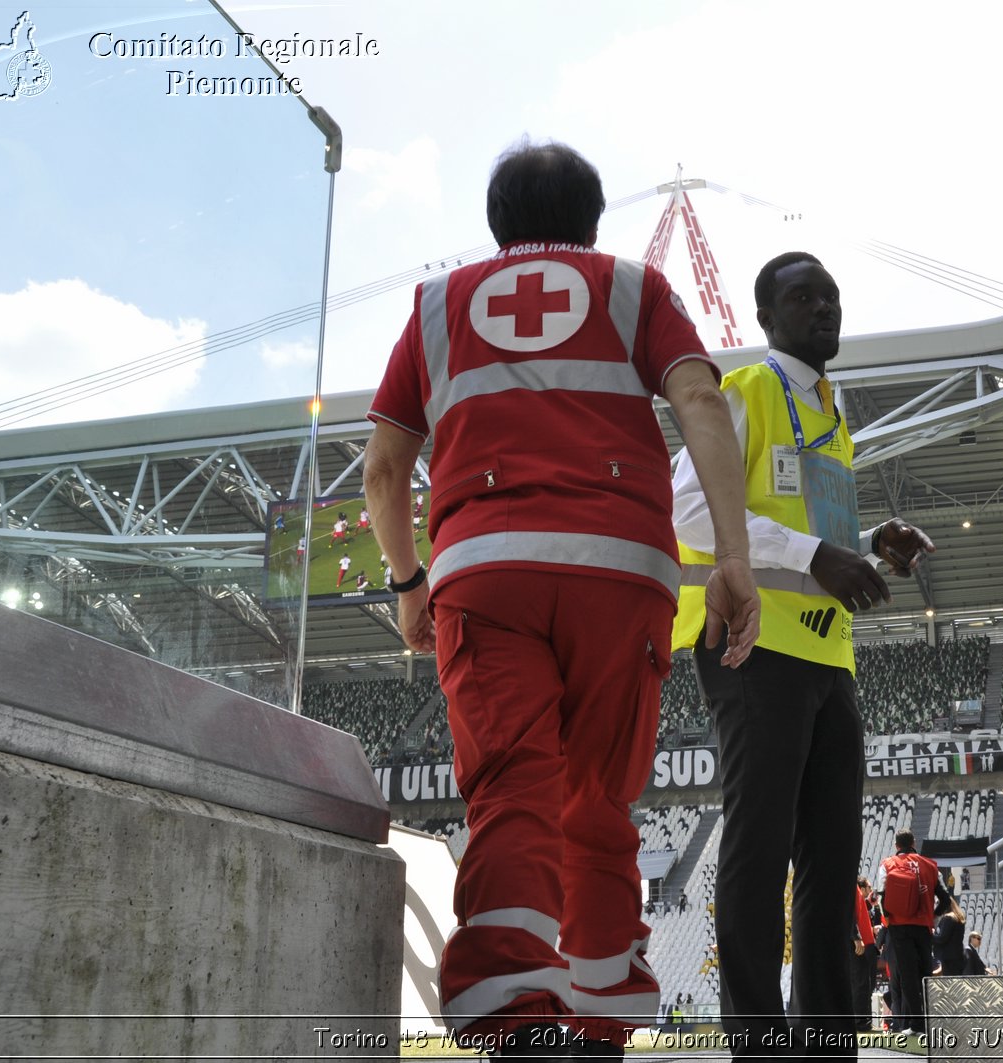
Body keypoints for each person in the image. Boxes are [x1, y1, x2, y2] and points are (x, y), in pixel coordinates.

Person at [363, 138, 760, 1060]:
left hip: (485, 566)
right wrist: (730, 559)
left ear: (496, 221)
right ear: (591, 220)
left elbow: (384, 471)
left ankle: (515, 1019)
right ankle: (597, 1018)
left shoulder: (434, 305)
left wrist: (409, 581)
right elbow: (701, 402)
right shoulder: (635, 287)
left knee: (512, 789)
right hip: (621, 569)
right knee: (599, 802)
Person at [668, 252, 935, 1057]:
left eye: (832, 296)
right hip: (752, 644)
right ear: (765, 317)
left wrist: (863, 543)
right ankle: (756, 1038)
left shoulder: (832, 415)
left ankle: (828, 1039)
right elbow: (682, 509)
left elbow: (802, 530)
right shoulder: (745, 391)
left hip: (828, 657)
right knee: (759, 845)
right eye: (802, 297)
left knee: (832, 856)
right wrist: (818, 553)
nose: (825, 308)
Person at [876, 828, 952, 1036]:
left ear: (896, 846)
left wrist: (890, 921)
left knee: (907, 975)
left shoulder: (888, 864)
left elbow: (881, 898)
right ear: (914, 843)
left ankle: (916, 1025)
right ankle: (930, 1022)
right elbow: (945, 900)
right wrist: (932, 916)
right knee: (926, 973)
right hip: (924, 927)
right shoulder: (930, 866)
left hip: (899, 928)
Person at [850, 877, 880, 1033]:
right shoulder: (850, 886)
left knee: (863, 983)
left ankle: (862, 1020)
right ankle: (861, 1021)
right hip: (859, 942)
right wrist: (856, 936)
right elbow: (849, 912)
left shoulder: (854, 888)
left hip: (864, 941)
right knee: (860, 982)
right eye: (868, 886)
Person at [932, 897, 966, 975]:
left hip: (949, 959)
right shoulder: (958, 918)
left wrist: (931, 935)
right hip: (958, 956)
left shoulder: (948, 918)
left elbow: (941, 939)